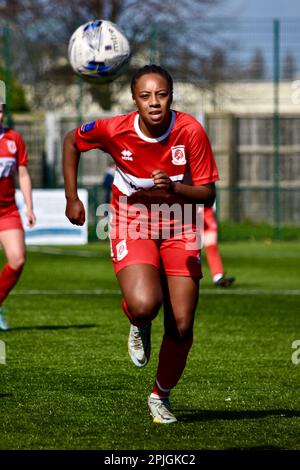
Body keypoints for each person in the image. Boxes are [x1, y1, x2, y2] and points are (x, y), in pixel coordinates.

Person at [63, 64, 219, 424]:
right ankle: (139, 318)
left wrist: (175, 189)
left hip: (179, 224)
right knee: (146, 303)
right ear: (134, 100)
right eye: (145, 95)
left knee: (181, 325)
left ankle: (159, 397)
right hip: (130, 219)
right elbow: (72, 140)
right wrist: (72, 197)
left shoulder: (190, 130)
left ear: (171, 97)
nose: (154, 102)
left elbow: (207, 196)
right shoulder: (115, 129)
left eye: (161, 94)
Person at [0, 103, 36, 330]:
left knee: (17, 259)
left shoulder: (14, 139)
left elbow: (22, 174)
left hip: (7, 210)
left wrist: (29, 207)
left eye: (1, 108)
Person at [203, 206, 235, 287]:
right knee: (189, 248)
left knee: (211, 246)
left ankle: (218, 277)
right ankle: (181, 277)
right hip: (189, 208)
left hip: (206, 209)